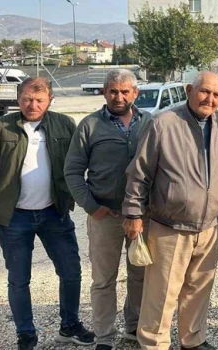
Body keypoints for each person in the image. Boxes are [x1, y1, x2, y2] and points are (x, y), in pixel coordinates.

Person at [0, 77, 95, 350]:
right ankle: (26, 334)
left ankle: (70, 325)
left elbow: (80, 165)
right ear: (18, 99)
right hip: (13, 217)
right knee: (19, 279)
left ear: (50, 100)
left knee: (71, 271)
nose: (33, 105)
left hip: (55, 213)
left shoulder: (64, 124)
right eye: (27, 99)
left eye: (39, 100)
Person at [122, 72, 218, 350]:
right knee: (161, 293)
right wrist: (134, 213)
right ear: (189, 90)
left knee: (199, 288)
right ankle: (153, 343)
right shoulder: (163, 123)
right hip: (169, 226)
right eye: (204, 92)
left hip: (209, 224)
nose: (209, 99)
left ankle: (193, 340)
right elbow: (140, 173)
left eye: (216, 95)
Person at [64, 69, 152, 350]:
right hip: (105, 216)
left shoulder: (149, 122)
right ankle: (104, 337)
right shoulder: (89, 125)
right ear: (104, 92)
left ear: (135, 93)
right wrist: (92, 207)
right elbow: (73, 171)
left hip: (141, 216)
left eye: (125, 91)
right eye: (113, 91)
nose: (119, 96)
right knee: (104, 279)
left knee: (140, 273)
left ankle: (134, 327)